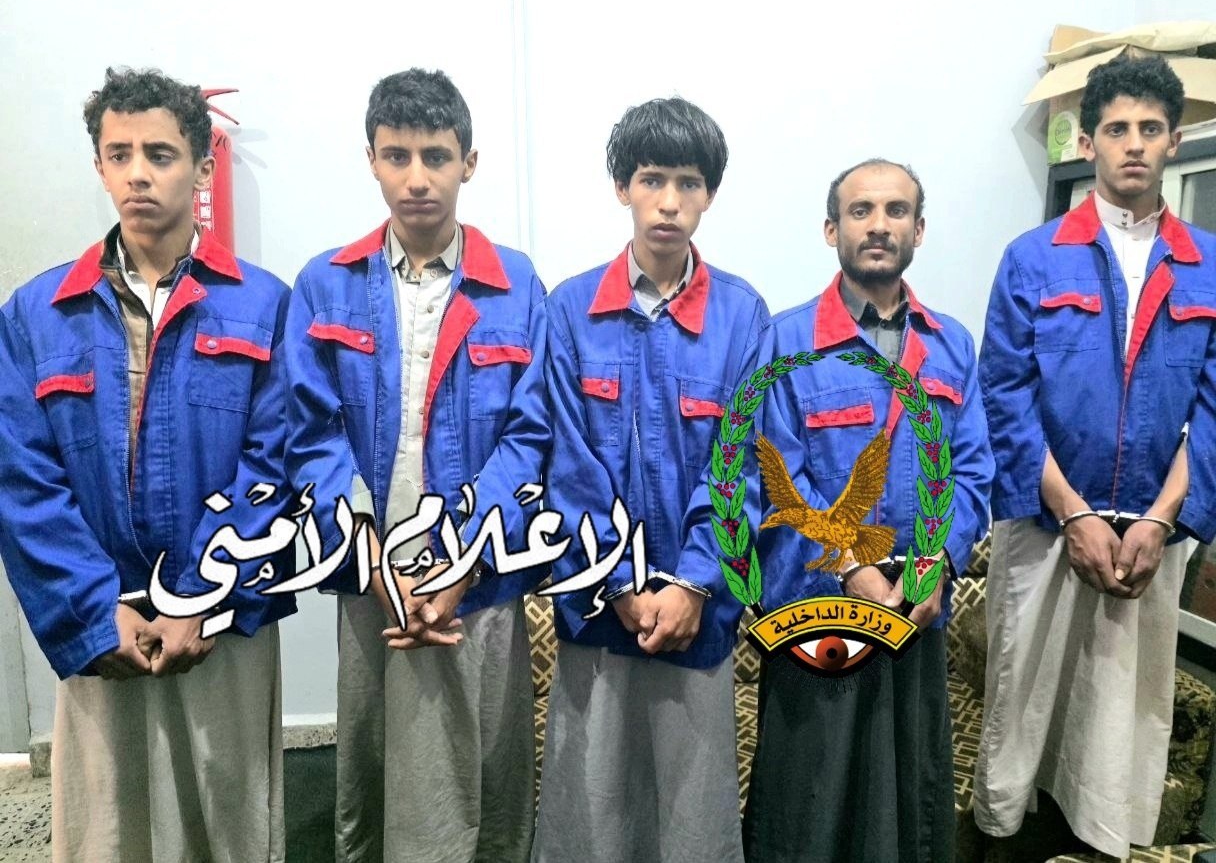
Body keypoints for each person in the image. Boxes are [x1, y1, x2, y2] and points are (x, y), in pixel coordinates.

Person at [0, 67, 296, 862]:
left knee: (232, 826)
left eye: (160, 154)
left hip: (220, 624)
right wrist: (94, 612)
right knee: (108, 831)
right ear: (99, 166)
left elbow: (273, 468)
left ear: (201, 168)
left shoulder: (264, 306)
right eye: (119, 153)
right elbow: (22, 481)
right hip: (102, 622)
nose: (138, 173)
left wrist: (199, 597)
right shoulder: (35, 316)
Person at [284, 67, 549, 862]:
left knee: (488, 765)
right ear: (371, 159)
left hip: (481, 578)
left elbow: (530, 435)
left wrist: (460, 560)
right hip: (370, 574)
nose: (417, 178)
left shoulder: (516, 285)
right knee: (374, 761)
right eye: (397, 156)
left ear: (469, 162)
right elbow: (310, 434)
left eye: (436, 156)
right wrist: (373, 560)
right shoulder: (325, 285)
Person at [973, 53, 1216, 859]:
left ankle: (1100, 848)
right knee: (1022, 705)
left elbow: (1214, 411)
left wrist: (1162, 520)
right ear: (1088, 142)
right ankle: (1007, 844)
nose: (1134, 144)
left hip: (1151, 537)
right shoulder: (1034, 257)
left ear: (1175, 140)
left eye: (1151, 128)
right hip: (1046, 525)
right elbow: (1004, 394)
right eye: (1116, 129)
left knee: (1119, 722)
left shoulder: (1208, 265)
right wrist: (1073, 513)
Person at [533, 96, 768, 863]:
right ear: (622, 187)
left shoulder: (742, 316)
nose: (669, 202)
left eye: (689, 183)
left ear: (711, 194)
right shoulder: (571, 310)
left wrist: (693, 585)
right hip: (601, 606)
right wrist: (619, 584)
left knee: (691, 812)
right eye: (651, 179)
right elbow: (566, 463)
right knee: (592, 805)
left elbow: (740, 464)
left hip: (698, 612)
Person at [741, 159, 993, 862]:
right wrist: (853, 569)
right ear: (832, 230)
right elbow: (774, 475)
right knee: (808, 808)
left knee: (907, 808)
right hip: (817, 610)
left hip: (916, 607)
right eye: (861, 211)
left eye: (895, 210)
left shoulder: (950, 346)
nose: (878, 225)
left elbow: (973, 471)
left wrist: (935, 567)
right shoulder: (786, 342)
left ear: (919, 229)